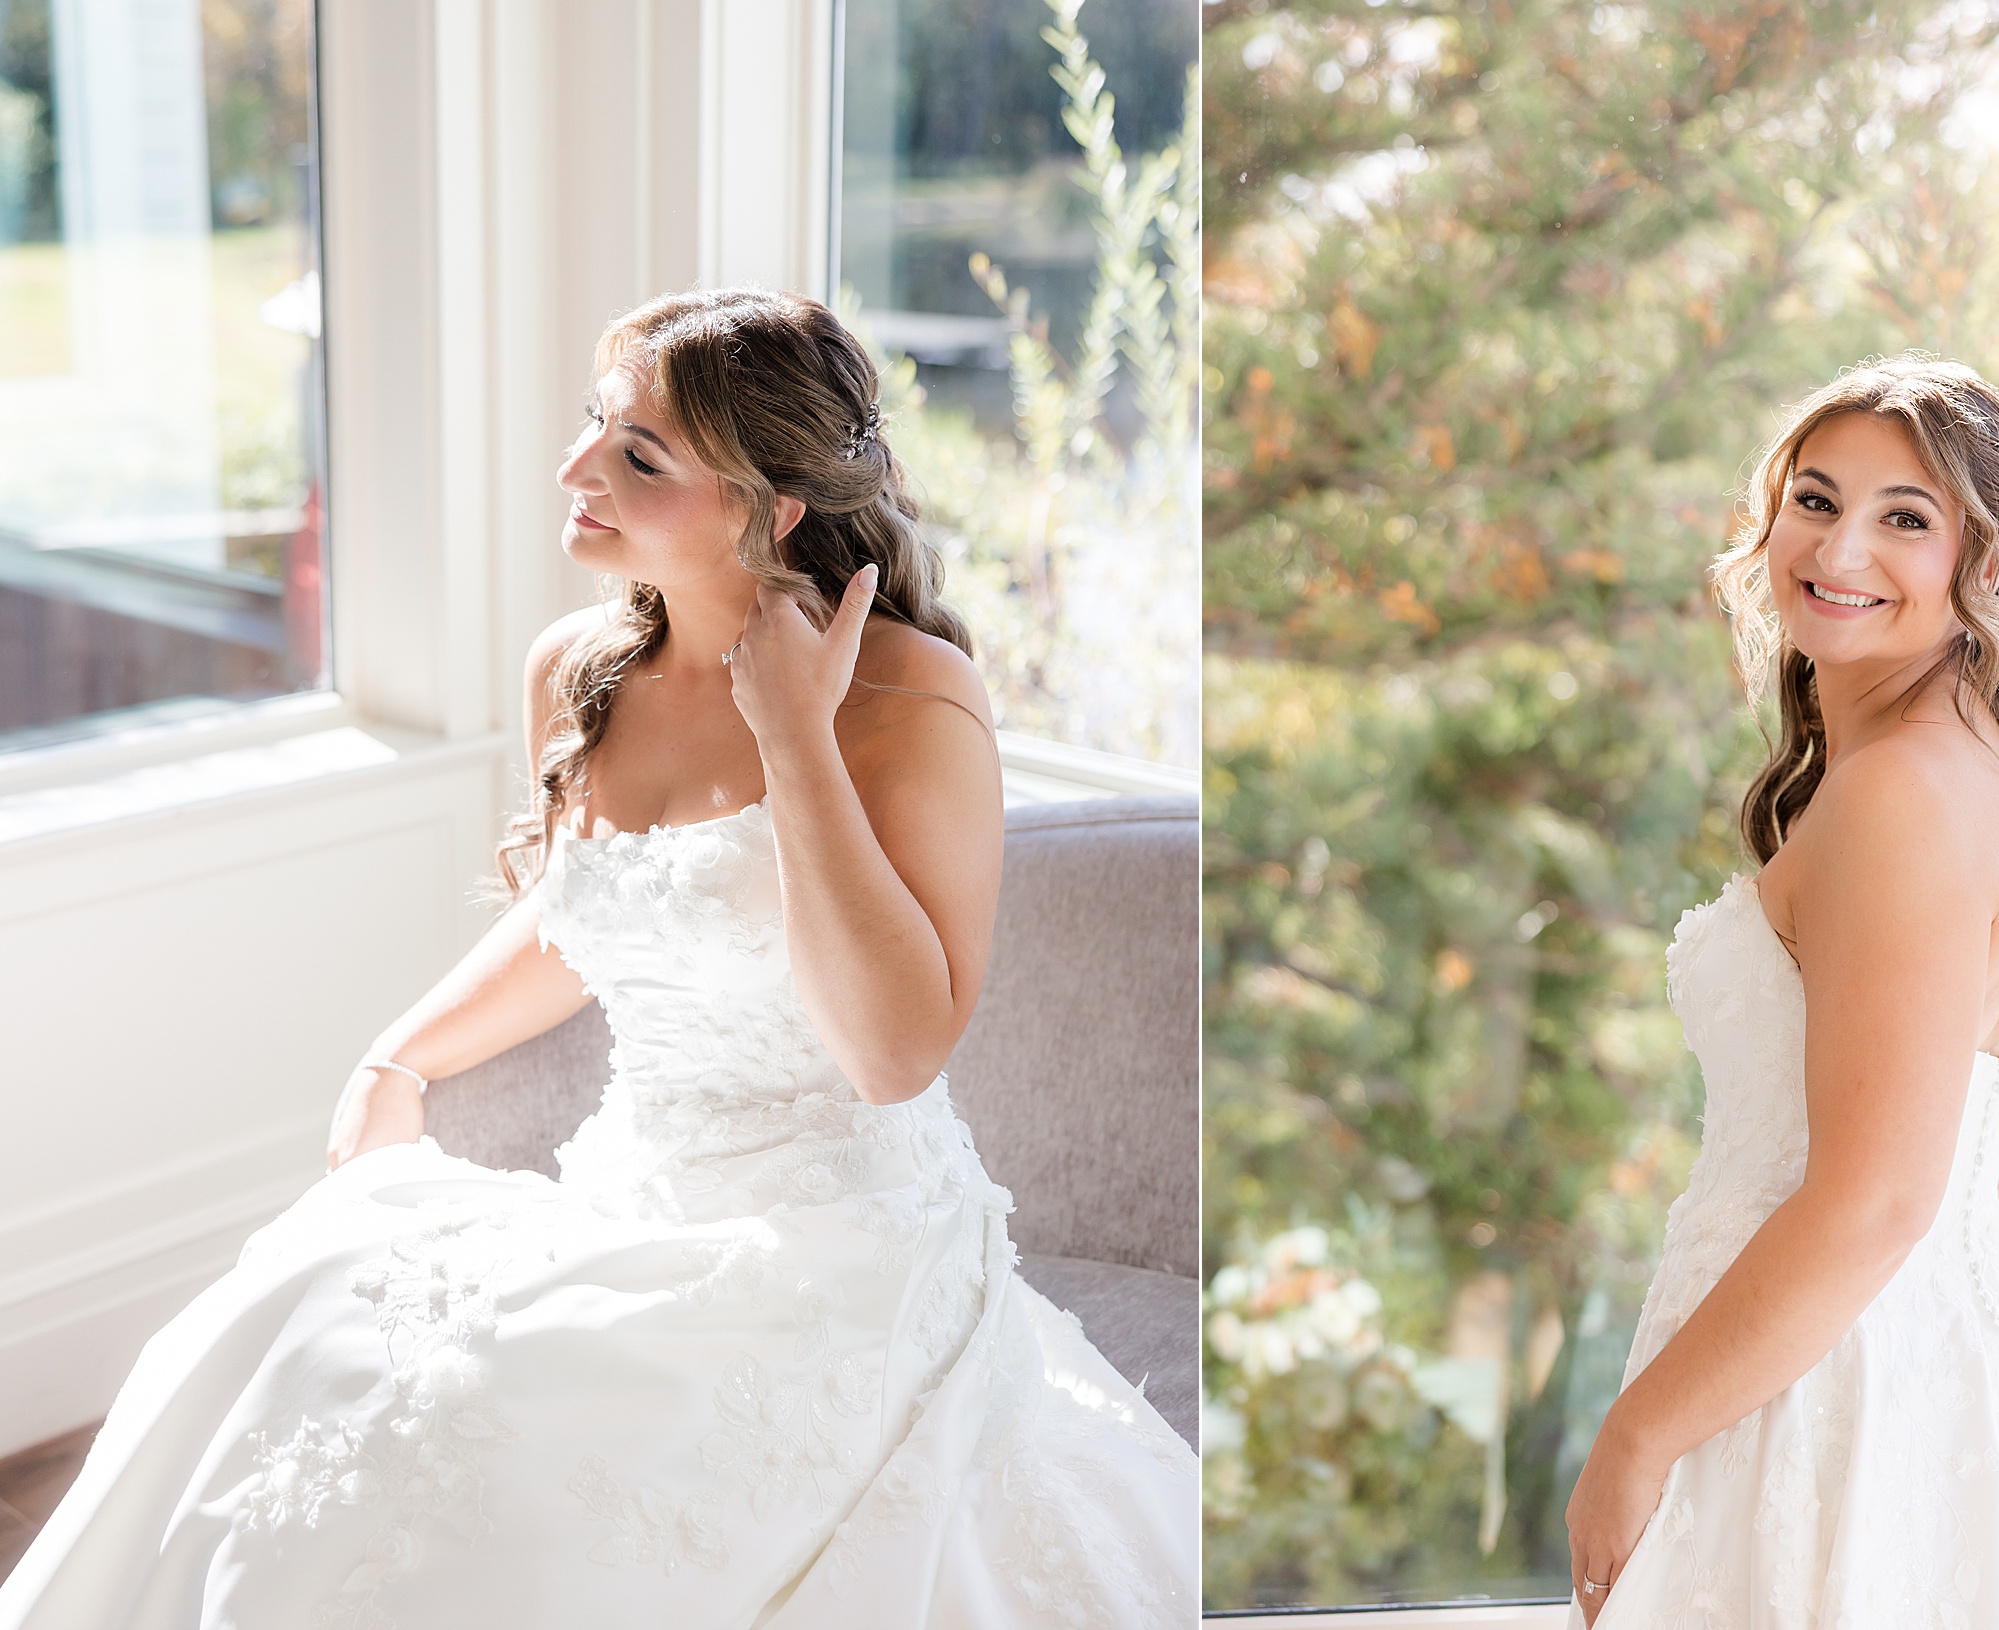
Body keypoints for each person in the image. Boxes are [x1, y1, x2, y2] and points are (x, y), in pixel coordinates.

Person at [0, 290, 1197, 1629]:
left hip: (841, 1252)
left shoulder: (910, 698)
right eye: (595, 427)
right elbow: (592, 911)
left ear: (771, 508)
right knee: (286, 1322)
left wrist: (794, 736)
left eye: (640, 455)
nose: (578, 470)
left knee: (512, 1497)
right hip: (624, 1193)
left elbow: (892, 1056)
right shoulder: (579, 668)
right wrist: (401, 1051)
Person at [1560, 356, 1999, 1627]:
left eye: (1907, 517)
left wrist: (1636, 1438)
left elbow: (1883, 1196)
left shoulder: (1904, 793)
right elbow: (1997, 1175)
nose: (1841, 545)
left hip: (1815, 1398)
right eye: (1815, 498)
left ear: (1989, 564)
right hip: (1907, 1378)